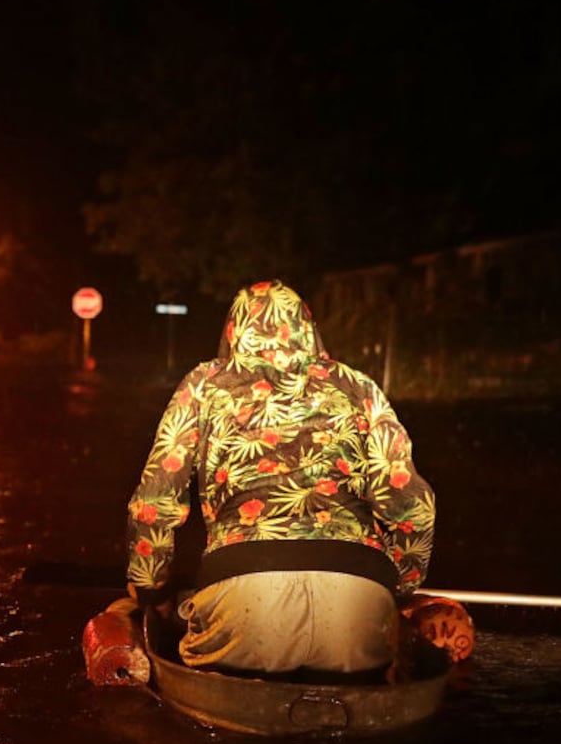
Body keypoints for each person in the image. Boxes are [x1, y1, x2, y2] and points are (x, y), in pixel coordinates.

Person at [125, 280, 436, 676]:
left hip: (242, 592)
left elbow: (153, 504)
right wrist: (401, 587)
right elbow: (414, 506)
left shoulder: (203, 386)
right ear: (308, 328)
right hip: (358, 595)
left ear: (233, 331)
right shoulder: (358, 388)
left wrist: (153, 589)